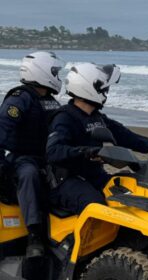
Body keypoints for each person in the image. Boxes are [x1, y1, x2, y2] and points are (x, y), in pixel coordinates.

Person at [47, 63, 148, 215]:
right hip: (67, 180)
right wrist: (87, 151)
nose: (106, 92)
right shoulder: (64, 118)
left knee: (132, 190)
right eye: (104, 89)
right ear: (88, 87)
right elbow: (54, 151)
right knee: (96, 206)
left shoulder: (96, 116)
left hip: (94, 175)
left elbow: (124, 135)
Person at [0, 51, 64, 257]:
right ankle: (34, 236)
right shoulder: (20, 99)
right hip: (21, 158)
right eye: (54, 71)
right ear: (42, 71)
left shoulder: (52, 101)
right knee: (29, 175)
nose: (57, 76)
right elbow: (3, 128)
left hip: (47, 156)